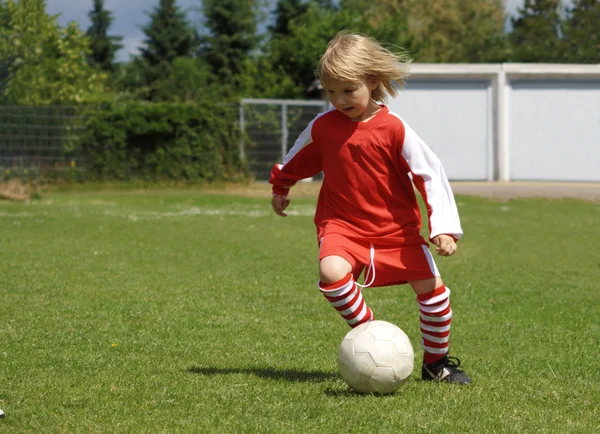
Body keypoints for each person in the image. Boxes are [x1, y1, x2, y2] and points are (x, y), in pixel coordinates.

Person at [269, 31, 471, 384]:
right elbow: (298, 157)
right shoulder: (323, 127)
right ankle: (372, 335)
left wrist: (443, 228)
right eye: (331, 92)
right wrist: (282, 185)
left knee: (434, 293)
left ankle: (436, 363)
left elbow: (430, 174)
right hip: (342, 226)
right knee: (331, 273)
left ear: (373, 81)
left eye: (348, 90)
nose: (339, 100)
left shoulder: (394, 128)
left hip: (397, 231)